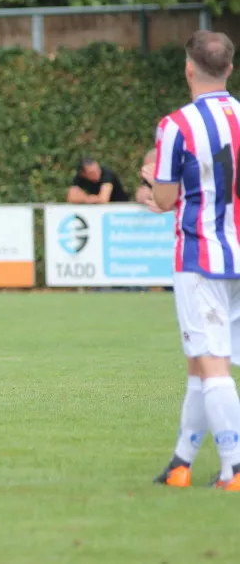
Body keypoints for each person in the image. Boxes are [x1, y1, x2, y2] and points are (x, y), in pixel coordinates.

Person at [142, 29, 240, 491]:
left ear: (188, 69)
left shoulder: (176, 125)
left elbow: (165, 199)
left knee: (212, 365)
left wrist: (153, 189)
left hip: (201, 256)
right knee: (200, 364)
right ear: (230, 69)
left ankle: (234, 468)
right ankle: (181, 463)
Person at [134, 149, 162, 213]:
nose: (144, 171)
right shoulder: (147, 179)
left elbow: (169, 199)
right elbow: (141, 196)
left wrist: (155, 184)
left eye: (148, 168)